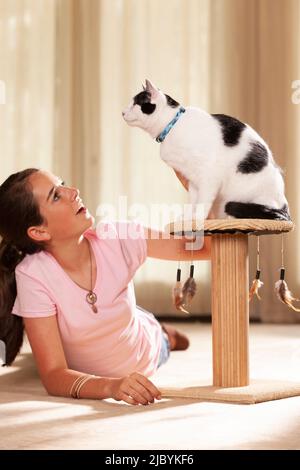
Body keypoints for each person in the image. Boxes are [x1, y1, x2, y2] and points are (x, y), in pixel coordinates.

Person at [0, 168, 211, 405]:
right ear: (39, 231)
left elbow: (206, 248)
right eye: (56, 196)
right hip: (103, 347)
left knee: (170, 340)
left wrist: (204, 193)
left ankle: (161, 331)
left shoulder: (118, 237)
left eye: (64, 184)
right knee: (37, 362)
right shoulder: (32, 274)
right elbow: (53, 375)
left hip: (147, 349)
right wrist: (112, 386)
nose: (73, 192)